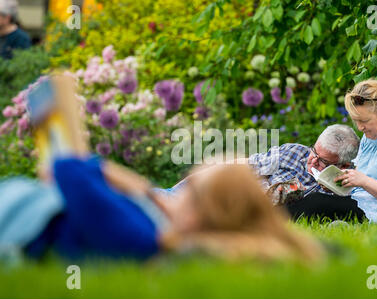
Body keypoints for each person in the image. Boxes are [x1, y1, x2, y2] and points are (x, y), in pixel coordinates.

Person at [0, 75, 326, 264]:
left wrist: (138, 185)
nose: (183, 188)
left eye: (194, 189)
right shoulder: (160, 230)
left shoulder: (144, 238)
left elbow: (69, 170)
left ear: (198, 214)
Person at [287, 79, 377, 225]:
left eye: (364, 121)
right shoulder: (372, 134)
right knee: (313, 200)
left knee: (317, 203)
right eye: (355, 121)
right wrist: (338, 184)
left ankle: (270, 223)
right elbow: (362, 183)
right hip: (364, 204)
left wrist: (364, 181)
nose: (360, 127)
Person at [161, 124, 360, 202]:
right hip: (229, 193)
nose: (312, 161)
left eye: (322, 161)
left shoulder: (348, 188)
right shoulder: (295, 153)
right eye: (313, 151)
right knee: (165, 197)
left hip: (245, 211)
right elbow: (244, 165)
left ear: (343, 166)